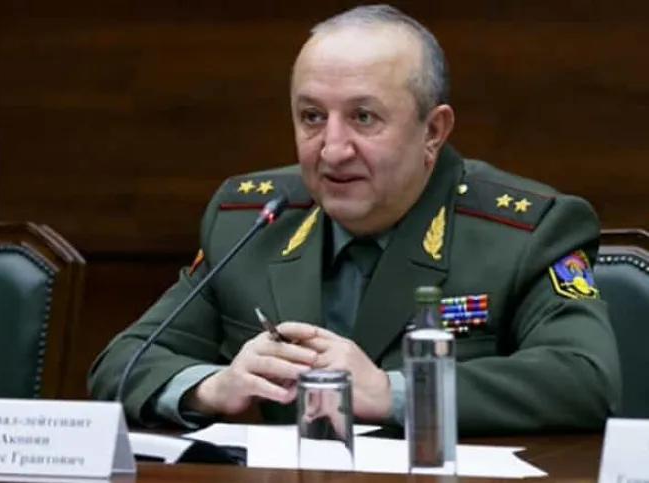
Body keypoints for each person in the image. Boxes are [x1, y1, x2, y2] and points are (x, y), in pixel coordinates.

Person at [88, 4, 621, 435]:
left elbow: (585, 379)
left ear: (433, 131)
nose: (333, 149)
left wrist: (393, 392)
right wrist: (212, 386)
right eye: (312, 117)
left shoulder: (525, 232)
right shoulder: (250, 220)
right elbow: (122, 364)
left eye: (363, 117)